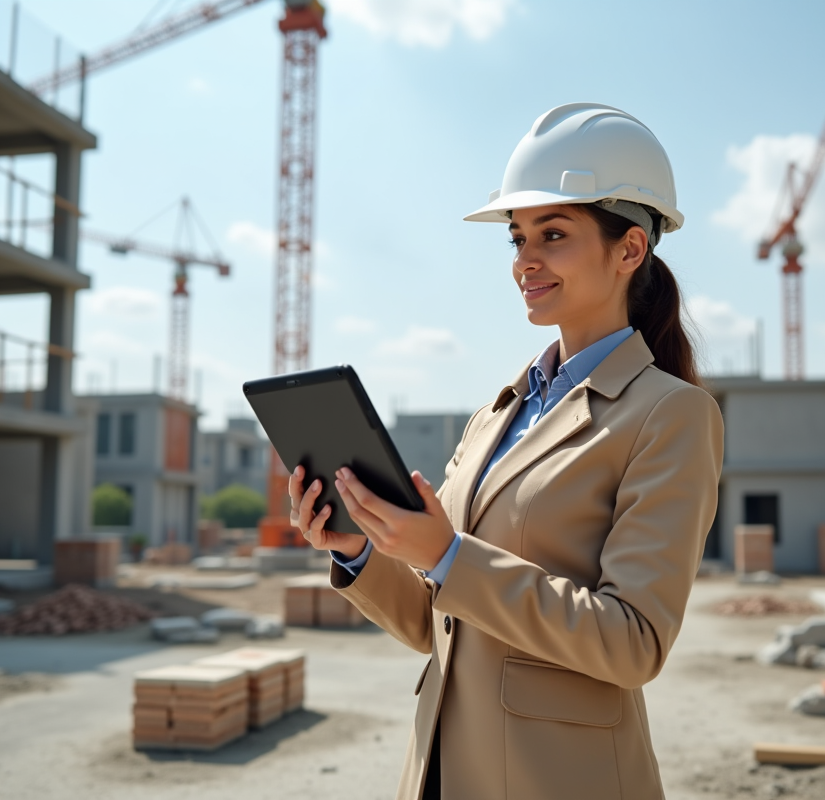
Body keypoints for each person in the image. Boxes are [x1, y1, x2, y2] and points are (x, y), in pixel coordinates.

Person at [288, 102, 724, 800]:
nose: (525, 259)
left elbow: (634, 642)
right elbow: (441, 626)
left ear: (631, 249)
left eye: (553, 234)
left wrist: (447, 554)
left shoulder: (672, 415)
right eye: (517, 237)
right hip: (441, 773)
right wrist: (360, 550)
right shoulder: (497, 413)